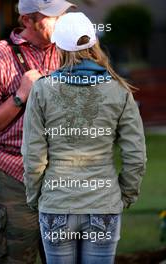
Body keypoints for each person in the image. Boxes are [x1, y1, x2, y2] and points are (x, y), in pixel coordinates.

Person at [22, 12, 147, 264]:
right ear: (94, 43)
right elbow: (136, 156)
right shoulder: (119, 89)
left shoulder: (42, 90)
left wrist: (36, 197)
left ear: (57, 46)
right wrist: (125, 196)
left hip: (57, 203)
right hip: (103, 204)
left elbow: (33, 155)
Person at [0, 0, 76, 263]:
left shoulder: (70, 52)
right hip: (15, 178)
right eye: (52, 16)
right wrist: (20, 95)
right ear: (27, 20)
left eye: (62, 14)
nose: (60, 21)